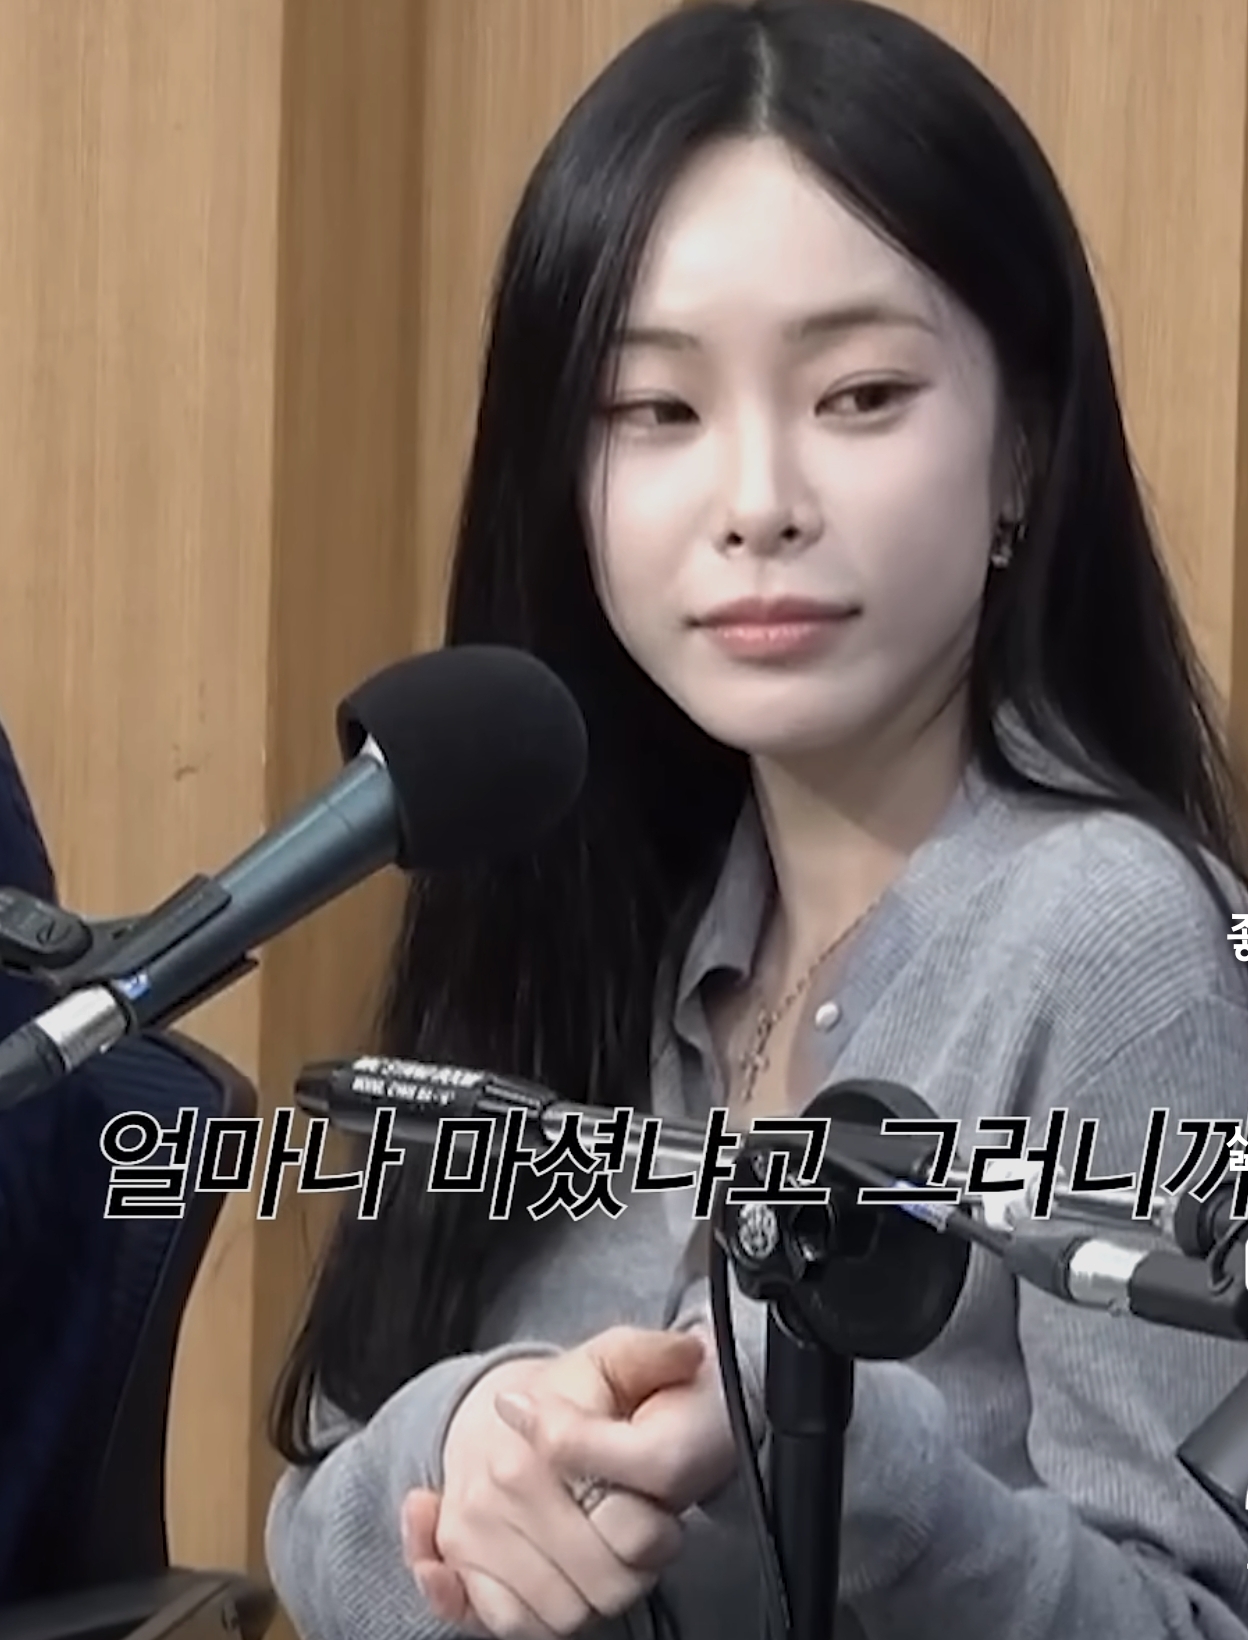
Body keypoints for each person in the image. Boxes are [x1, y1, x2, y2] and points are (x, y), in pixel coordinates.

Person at [264, 2, 1248, 1637]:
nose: (758, 502)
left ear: (1024, 445)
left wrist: (830, 1461)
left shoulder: (1115, 936)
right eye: (656, 411)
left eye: (859, 395)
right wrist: (469, 1439)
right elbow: (315, 1508)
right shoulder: (602, 899)